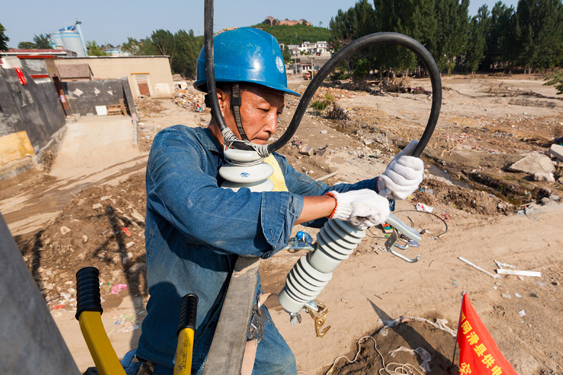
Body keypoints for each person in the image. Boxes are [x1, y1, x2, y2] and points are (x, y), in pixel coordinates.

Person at [134, 27, 424, 375]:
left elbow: (320, 195)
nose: (272, 126)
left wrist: (382, 185)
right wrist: (333, 205)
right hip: (182, 338)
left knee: (283, 366)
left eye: (278, 113)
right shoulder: (178, 147)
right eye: (262, 109)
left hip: (243, 318)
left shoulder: (267, 164)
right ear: (221, 98)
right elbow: (203, 213)